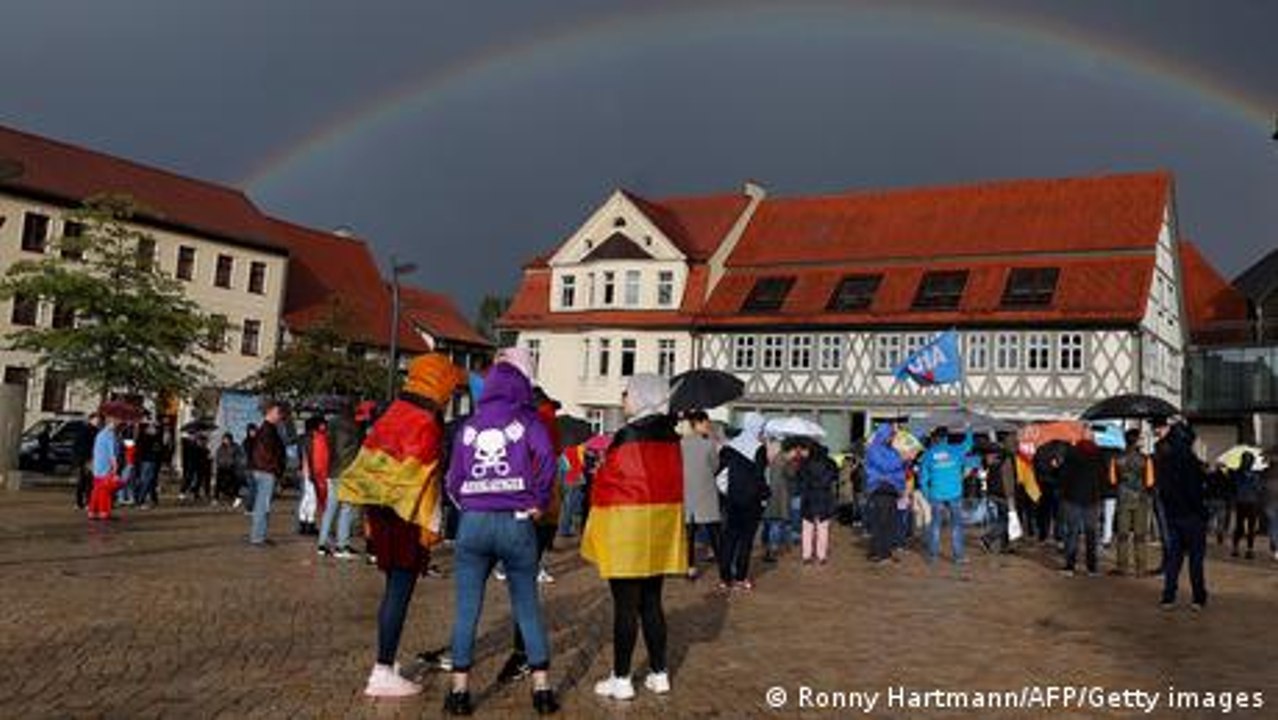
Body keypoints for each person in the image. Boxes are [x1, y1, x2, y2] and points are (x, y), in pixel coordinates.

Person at [339, 353, 467, 698]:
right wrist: (433, 525)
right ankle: (382, 669)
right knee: (399, 591)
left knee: (392, 591)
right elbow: (424, 479)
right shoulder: (426, 421)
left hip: (381, 514)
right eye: (448, 386)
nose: (450, 393)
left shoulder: (391, 413)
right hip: (405, 516)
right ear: (437, 382)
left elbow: (368, 466)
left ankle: (386, 661)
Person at [442, 361, 559, 716]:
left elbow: (452, 479)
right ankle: (542, 689)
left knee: (466, 609)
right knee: (526, 605)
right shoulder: (527, 423)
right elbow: (548, 462)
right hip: (517, 522)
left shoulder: (468, 426)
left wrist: (470, 504)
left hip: (474, 523)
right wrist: (536, 501)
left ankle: (460, 692)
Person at [583, 374, 687, 702]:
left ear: (641, 396)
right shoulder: (672, 436)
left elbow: (610, 481)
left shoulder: (627, 435)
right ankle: (659, 674)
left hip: (627, 528)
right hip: (659, 526)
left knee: (625, 607)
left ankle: (622, 678)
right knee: (652, 603)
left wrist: (601, 470)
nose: (623, 397)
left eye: (627, 392)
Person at [1154, 419, 1208, 610]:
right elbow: (1195, 491)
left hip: (1173, 515)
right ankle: (1198, 598)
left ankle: (1168, 597)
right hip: (1191, 515)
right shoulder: (1190, 461)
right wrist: (1202, 512)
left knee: (1174, 559)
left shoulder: (1165, 460)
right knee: (1195, 559)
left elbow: (1163, 490)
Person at [716, 412, 769, 591]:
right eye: (761, 428)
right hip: (751, 502)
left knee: (729, 538)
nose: (762, 432)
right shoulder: (759, 449)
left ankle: (725, 578)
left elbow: (718, 474)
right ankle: (740, 578)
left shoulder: (729, 447)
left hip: (732, 500)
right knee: (746, 541)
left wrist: (727, 492)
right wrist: (763, 497)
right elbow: (760, 478)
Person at [917, 426, 974, 567]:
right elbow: (968, 444)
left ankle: (933, 556)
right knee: (956, 526)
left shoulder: (928, 454)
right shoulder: (956, 450)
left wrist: (927, 493)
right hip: (954, 493)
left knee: (935, 525)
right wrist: (969, 429)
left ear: (935, 438)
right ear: (946, 438)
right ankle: (958, 557)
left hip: (936, 494)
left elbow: (922, 478)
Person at [318, 401, 362, 558]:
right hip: (347, 472)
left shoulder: (331, 424)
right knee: (346, 508)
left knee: (330, 508)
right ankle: (342, 545)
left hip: (333, 470)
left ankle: (322, 544)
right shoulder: (354, 426)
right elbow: (358, 450)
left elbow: (329, 447)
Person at [680, 411, 722, 579]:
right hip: (705, 491)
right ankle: (723, 567)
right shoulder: (709, 444)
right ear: (697, 423)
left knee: (689, 534)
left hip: (687, 491)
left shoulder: (681, 443)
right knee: (713, 531)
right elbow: (715, 466)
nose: (708, 425)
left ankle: (690, 567)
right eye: (705, 423)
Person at [1059, 435, 1105, 576]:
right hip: (1092, 499)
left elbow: (1063, 477)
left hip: (1072, 499)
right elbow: (1103, 478)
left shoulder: (1071, 456)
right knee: (1091, 534)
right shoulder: (1098, 457)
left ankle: (1070, 567)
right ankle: (1092, 568)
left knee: (1072, 533)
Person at [1111, 429, 1155, 576]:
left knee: (1122, 534)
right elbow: (1150, 481)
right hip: (1141, 499)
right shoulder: (1146, 459)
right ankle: (1140, 568)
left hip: (1123, 498)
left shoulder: (1116, 458)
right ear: (1136, 441)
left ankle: (1122, 566)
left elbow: (1112, 480)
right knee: (1140, 535)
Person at [789, 436, 839, 565]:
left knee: (807, 529)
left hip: (808, 499)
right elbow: (834, 478)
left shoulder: (805, 464)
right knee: (823, 529)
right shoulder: (830, 463)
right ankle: (821, 556)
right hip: (824, 498)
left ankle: (807, 556)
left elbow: (799, 481)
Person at [864, 423, 907, 563]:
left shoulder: (891, 450)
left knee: (889, 522)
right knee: (881, 522)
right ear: (884, 435)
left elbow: (898, 469)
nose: (892, 438)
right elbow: (886, 466)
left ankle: (883, 552)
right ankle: (880, 553)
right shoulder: (874, 449)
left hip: (891, 489)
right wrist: (902, 459)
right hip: (880, 488)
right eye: (890, 435)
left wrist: (903, 462)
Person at [247, 402, 287, 546]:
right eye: (278, 412)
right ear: (269, 412)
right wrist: (276, 470)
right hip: (266, 471)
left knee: (262, 505)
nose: (280, 415)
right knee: (262, 506)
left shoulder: (268, 429)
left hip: (264, 470)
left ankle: (260, 535)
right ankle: (257, 538)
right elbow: (267, 454)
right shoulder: (267, 430)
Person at [761, 436, 793, 564]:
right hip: (779, 495)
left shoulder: (774, 458)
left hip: (770, 494)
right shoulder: (784, 460)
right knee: (776, 523)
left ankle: (766, 546)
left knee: (768, 522)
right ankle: (772, 550)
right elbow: (791, 474)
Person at [87, 410, 122, 521]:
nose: (119, 423)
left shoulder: (100, 433)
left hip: (98, 466)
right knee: (105, 491)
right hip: (106, 466)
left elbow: (95, 450)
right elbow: (112, 453)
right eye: (117, 421)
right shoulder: (109, 434)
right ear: (112, 421)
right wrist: (115, 466)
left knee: (96, 490)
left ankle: (92, 511)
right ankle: (104, 512)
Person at [298, 416, 330, 536]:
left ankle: (303, 522)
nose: (325, 426)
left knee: (306, 497)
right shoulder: (315, 438)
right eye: (322, 424)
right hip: (312, 471)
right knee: (312, 498)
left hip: (306, 470)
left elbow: (303, 456)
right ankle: (310, 523)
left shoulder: (303, 438)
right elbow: (315, 457)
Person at [1230, 451, 1264, 560]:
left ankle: (1248, 549)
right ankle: (1238, 548)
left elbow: (1258, 488)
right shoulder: (1237, 474)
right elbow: (1235, 487)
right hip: (1245, 501)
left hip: (1248, 502)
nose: (1248, 463)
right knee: (1241, 527)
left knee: (1249, 527)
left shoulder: (1252, 475)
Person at [73, 414, 100, 509]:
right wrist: (85, 459)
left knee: (86, 481)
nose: (98, 421)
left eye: (98, 420)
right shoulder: (86, 430)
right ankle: (82, 502)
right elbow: (80, 446)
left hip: (88, 459)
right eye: (96, 420)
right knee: (86, 481)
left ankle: (83, 502)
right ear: (91, 420)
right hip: (87, 459)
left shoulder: (95, 431)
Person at [135, 423, 163, 508]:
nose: (155, 430)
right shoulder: (147, 437)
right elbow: (153, 449)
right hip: (148, 461)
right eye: (152, 428)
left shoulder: (150, 437)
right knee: (146, 480)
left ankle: (141, 499)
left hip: (148, 461)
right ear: (147, 429)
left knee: (146, 480)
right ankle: (140, 500)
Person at [214, 433, 244, 504]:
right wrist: (220, 463)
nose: (226, 441)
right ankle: (216, 497)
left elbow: (240, 456)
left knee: (235, 481)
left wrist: (235, 462)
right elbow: (218, 457)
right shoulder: (220, 448)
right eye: (225, 439)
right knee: (218, 481)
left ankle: (235, 496)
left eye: (227, 439)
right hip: (222, 467)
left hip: (233, 467)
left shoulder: (236, 447)